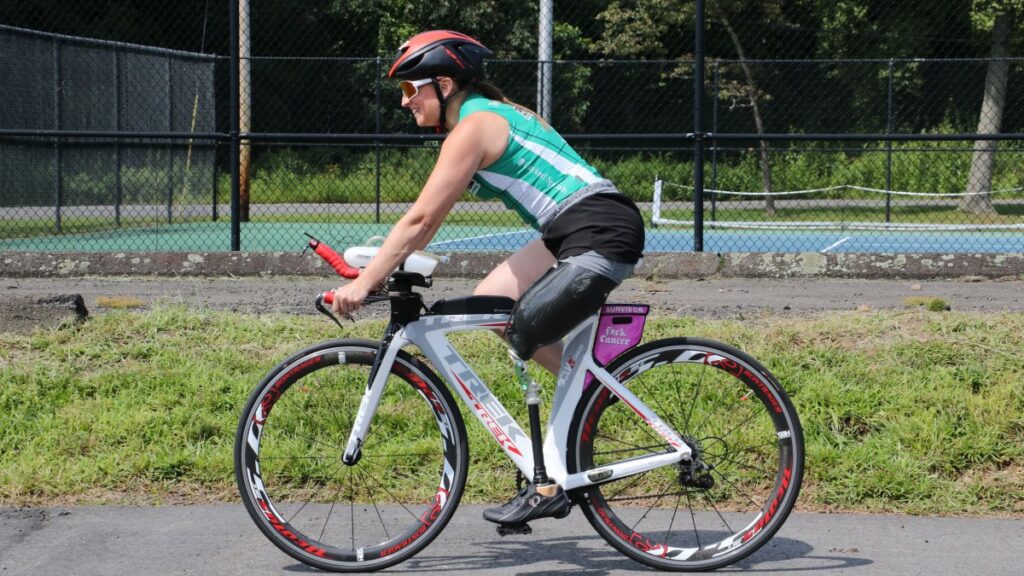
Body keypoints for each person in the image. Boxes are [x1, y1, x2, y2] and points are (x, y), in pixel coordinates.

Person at [330, 30, 645, 530]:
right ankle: (589, 397)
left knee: (522, 327)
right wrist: (380, 267)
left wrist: (365, 282)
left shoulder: (473, 127)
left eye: (412, 89)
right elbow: (424, 224)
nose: (404, 101)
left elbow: (421, 221)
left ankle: (554, 472)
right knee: (490, 303)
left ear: (446, 83)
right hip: (576, 227)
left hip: (595, 229)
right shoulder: (497, 113)